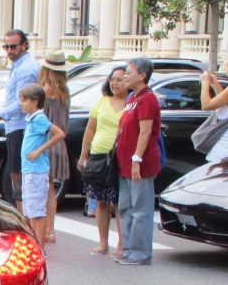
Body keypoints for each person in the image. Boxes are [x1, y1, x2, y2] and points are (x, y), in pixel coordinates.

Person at [114, 57, 162, 266]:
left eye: (129, 72)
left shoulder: (147, 99)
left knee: (140, 209)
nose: (125, 75)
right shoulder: (133, 98)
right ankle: (128, 248)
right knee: (125, 207)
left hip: (138, 163)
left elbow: (145, 132)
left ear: (142, 76)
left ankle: (140, 252)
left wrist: (136, 158)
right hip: (124, 163)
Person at [77, 67, 126, 256]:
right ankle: (103, 243)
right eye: (112, 79)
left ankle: (121, 243)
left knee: (118, 202)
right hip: (98, 155)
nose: (115, 83)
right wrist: (84, 154)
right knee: (101, 201)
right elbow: (90, 129)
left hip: (119, 156)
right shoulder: (102, 100)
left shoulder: (130, 102)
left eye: (120, 79)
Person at [0, 29, 39, 204]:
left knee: (19, 176)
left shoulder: (26, 69)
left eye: (13, 46)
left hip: (21, 128)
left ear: (24, 45)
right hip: (15, 127)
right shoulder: (19, 66)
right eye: (6, 46)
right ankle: (23, 215)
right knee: (15, 174)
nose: (9, 50)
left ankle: (25, 219)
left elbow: (21, 103)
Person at [17, 83, 65, 249]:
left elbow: (59, 134)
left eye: (24, 100)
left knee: (37, 210)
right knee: (30, 209)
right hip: (29, 170)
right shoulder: (31, 119)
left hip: (36, 171)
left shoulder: (39, 119)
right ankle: (34, 243)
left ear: (35, 101)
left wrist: (39, 150)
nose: (21, 104)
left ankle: (40, 247)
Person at [38, 51, 71, 244]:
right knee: (51, 188)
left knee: (45, 188)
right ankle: (51, 228)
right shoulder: (64, 91)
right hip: (59, 144)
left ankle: (47, 230)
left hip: (46, 142)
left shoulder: (46, 90)